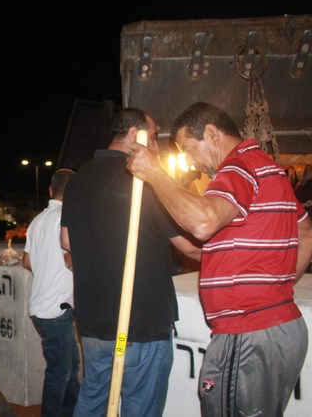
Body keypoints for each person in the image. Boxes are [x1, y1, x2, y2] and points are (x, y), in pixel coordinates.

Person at [127, 101, 312, 416]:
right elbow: (305, 230)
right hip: (276, 326)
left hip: (248, 334)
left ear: (212, 134)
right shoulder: (267, 169)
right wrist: (276, 286)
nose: (191, 162)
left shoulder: (238, 166)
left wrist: (156, 174)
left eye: (188, 149)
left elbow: (203, 222)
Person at [60, 108, 202, 417]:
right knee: (141, 406)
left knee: (94, 397)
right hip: (141, 322)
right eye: (152, 138)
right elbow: (190, 247)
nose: (154, 147)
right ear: (132, 135)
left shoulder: (77, 180)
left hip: (94, 323)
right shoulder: (143, 181)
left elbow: (66, 241)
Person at [22, 168, 79, 417]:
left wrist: (48, 269)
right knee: (60, 373)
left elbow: (26, 261)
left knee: (70, 367)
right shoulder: (67, 219)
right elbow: (73, 260)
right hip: (57, 310)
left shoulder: (38, 220)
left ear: (50, 190)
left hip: (43, 308)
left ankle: (73, 412)